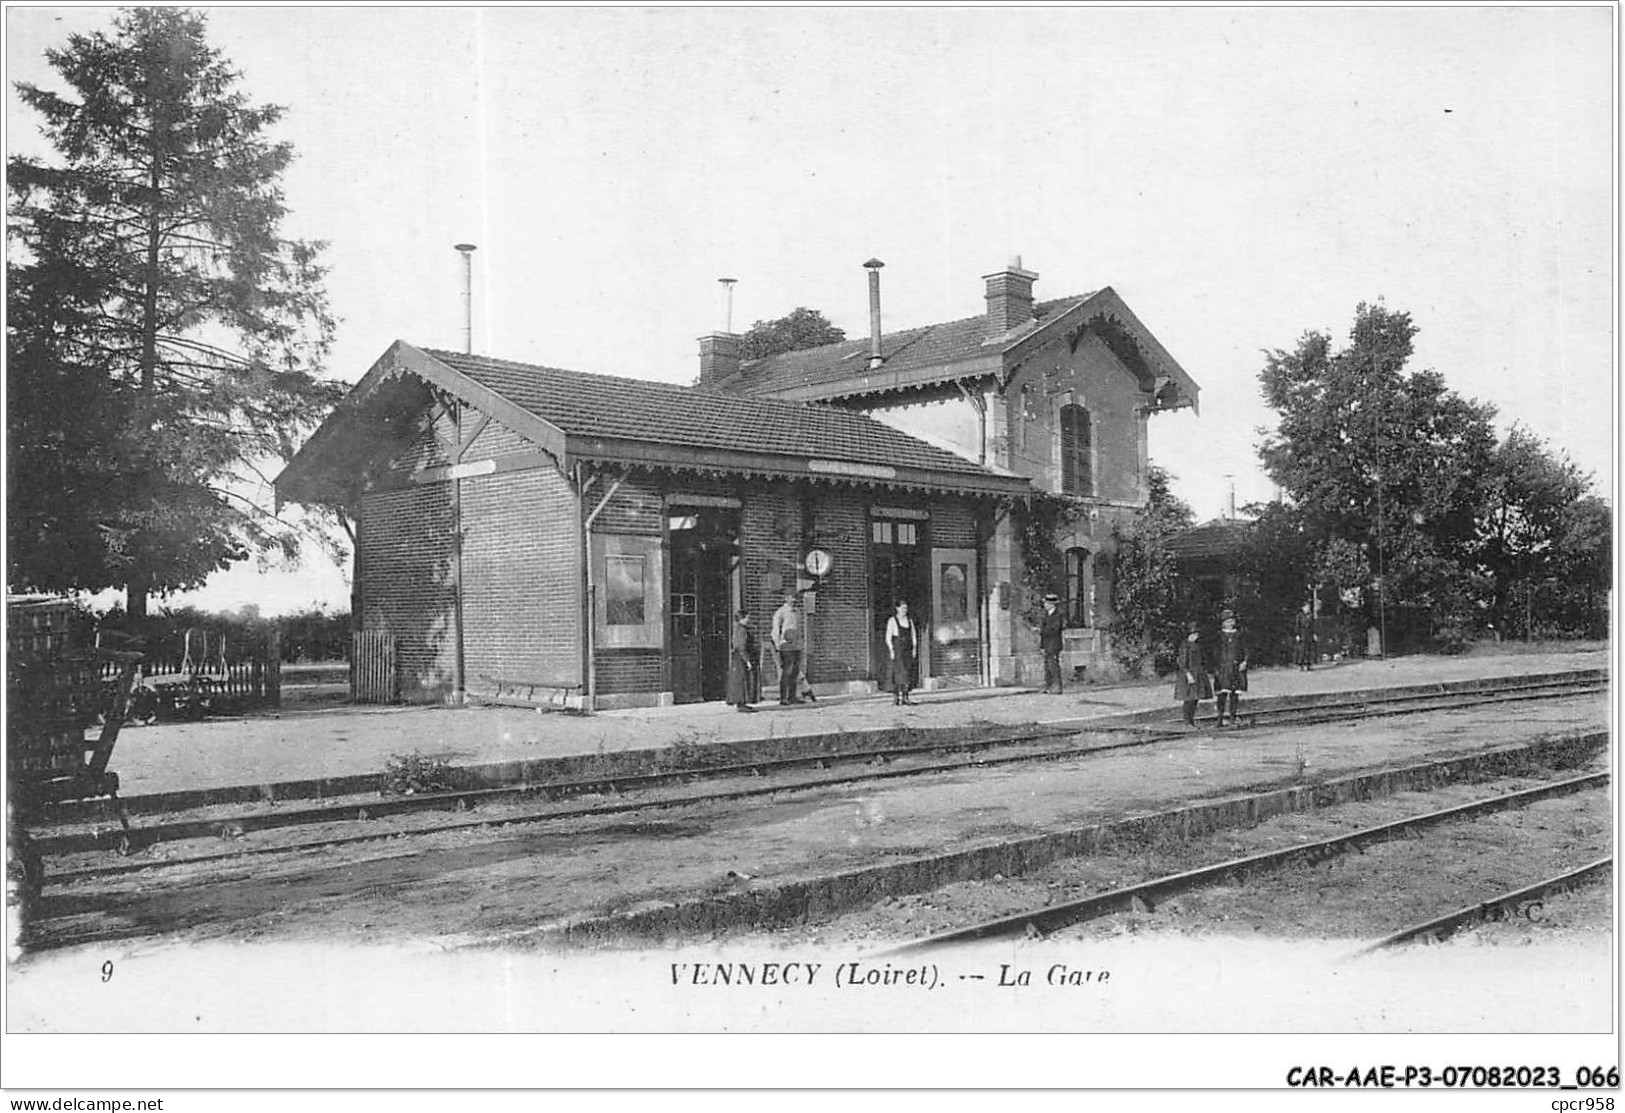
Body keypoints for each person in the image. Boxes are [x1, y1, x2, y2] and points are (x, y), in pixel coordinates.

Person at [1212, 608, 1249, 727]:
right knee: (1221, 694)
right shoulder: (1219, 636)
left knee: (1234, 694)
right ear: (1223, 623)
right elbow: (1214, 653)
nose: (1230, 623)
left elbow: (1246, 649)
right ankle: (1220, 718)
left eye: (1232, 621)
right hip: (1223, 668)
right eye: (1228, 621)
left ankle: (1233, 717)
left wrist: (1244, 661)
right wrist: (1215, 667)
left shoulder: (1239, 634)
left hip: (1235, 668)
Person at [770, 592, 805, 705]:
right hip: (786, 646)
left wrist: (800, 643)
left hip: (796, 645)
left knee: (795, 671)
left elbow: (798, 629)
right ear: (786, 598)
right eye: (791, 597)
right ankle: (783, 697)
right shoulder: (781, 612)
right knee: (787, 671)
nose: (793, 600)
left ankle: (792, 697)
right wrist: (777, 644)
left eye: (795, 598)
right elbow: (776, 629)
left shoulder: (797, 612)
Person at [1174, 621, 1211, 727]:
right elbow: (1181, 661)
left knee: (1195, 698)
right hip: (1188, 674)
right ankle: (1187, 721)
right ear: (1190, 634)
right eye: (1194, 634)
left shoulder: (1197, 645)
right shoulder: (1185, 645)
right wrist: (1188, 674)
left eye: (1197, 634)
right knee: (1189, 698)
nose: (1196, 636)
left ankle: (1191, 720)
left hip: (1198, 673)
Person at [726, 609, 759, 713]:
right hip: (741, 657)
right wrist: (747, 660)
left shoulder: (739, 628)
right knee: (742, 680)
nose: (749, 620)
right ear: (742, 618)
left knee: (741, 679)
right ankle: (741, 703)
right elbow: (741, 646)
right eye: (747, 618)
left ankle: (742, 702)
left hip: (739, 656)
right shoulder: (741, 630)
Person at [886, 600, 918, 706]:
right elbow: (888, 637)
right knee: (897, 674)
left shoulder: (909, 620)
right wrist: (891, 649)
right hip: (897, 650)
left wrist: (914, 648)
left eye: (906, 608)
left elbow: (913, 636)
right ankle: (896, 698)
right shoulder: (892, 620)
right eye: (903, 608)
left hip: (907, 650)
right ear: (897, 608)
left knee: (907, 673)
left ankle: (905, 697)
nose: (905, 610)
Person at [1038, 591, 1066, 694]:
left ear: (1051, 604)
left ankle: (1057, 687)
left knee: (1053, 665)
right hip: (1046, 643)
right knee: (1047, 665)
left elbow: (1055, 629)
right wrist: (1041, 646)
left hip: (1054, 644)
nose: (1044, 605)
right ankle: (1048, 686)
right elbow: (1043, 632)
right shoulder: (1046, 615)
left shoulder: (1058, 615)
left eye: (1046, 603)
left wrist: (1042, 630)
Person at [1293, 600, 1316, 671]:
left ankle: (1309, 665)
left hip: (1309, 633)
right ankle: (1301, 665)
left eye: (1308, 607)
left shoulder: (1311, 615)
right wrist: (1297, 634)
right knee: (1302, 650)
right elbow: (1297, 625)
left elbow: (1313, 626)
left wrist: (1314, 634)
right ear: (1303, 608)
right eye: (1307, 607)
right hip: (1302, 633)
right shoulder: (1299, 616)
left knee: (1309, 650)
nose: (1308, 608)